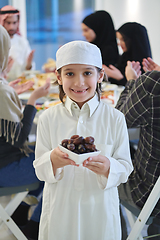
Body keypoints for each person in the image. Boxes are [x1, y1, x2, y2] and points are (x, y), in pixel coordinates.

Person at [33, 40, 133, 240]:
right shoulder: (47, 119)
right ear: (59, 77)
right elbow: (39, 169)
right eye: (70, 73)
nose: (79, 82)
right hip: (60, 212)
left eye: (87, 73)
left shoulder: (114, 118)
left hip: (100, 212)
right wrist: (52, 160)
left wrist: (108, 167)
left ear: (100, 76)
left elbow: (125, 168)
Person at [0, 25, 50, 240]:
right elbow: (19, 137)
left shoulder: (3, 89)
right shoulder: (1, 92)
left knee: (43, 157)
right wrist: (32, 100)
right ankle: (34, 226)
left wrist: (10, 89)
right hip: (4, 168)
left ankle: (19, 212)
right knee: (54, 170)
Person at [116, 60, 160, 239]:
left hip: (149, 193)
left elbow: (117, 122)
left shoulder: (153, 84)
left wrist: (132, 81)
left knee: (105, 174)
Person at [0, 5, 35, 81]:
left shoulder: (23, 42)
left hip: (20, 84)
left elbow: (28, 71)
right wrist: (4, 70)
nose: (11, 27)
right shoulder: (1, 42)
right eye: (8, 23)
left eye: (14, 23)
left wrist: (29, 65)